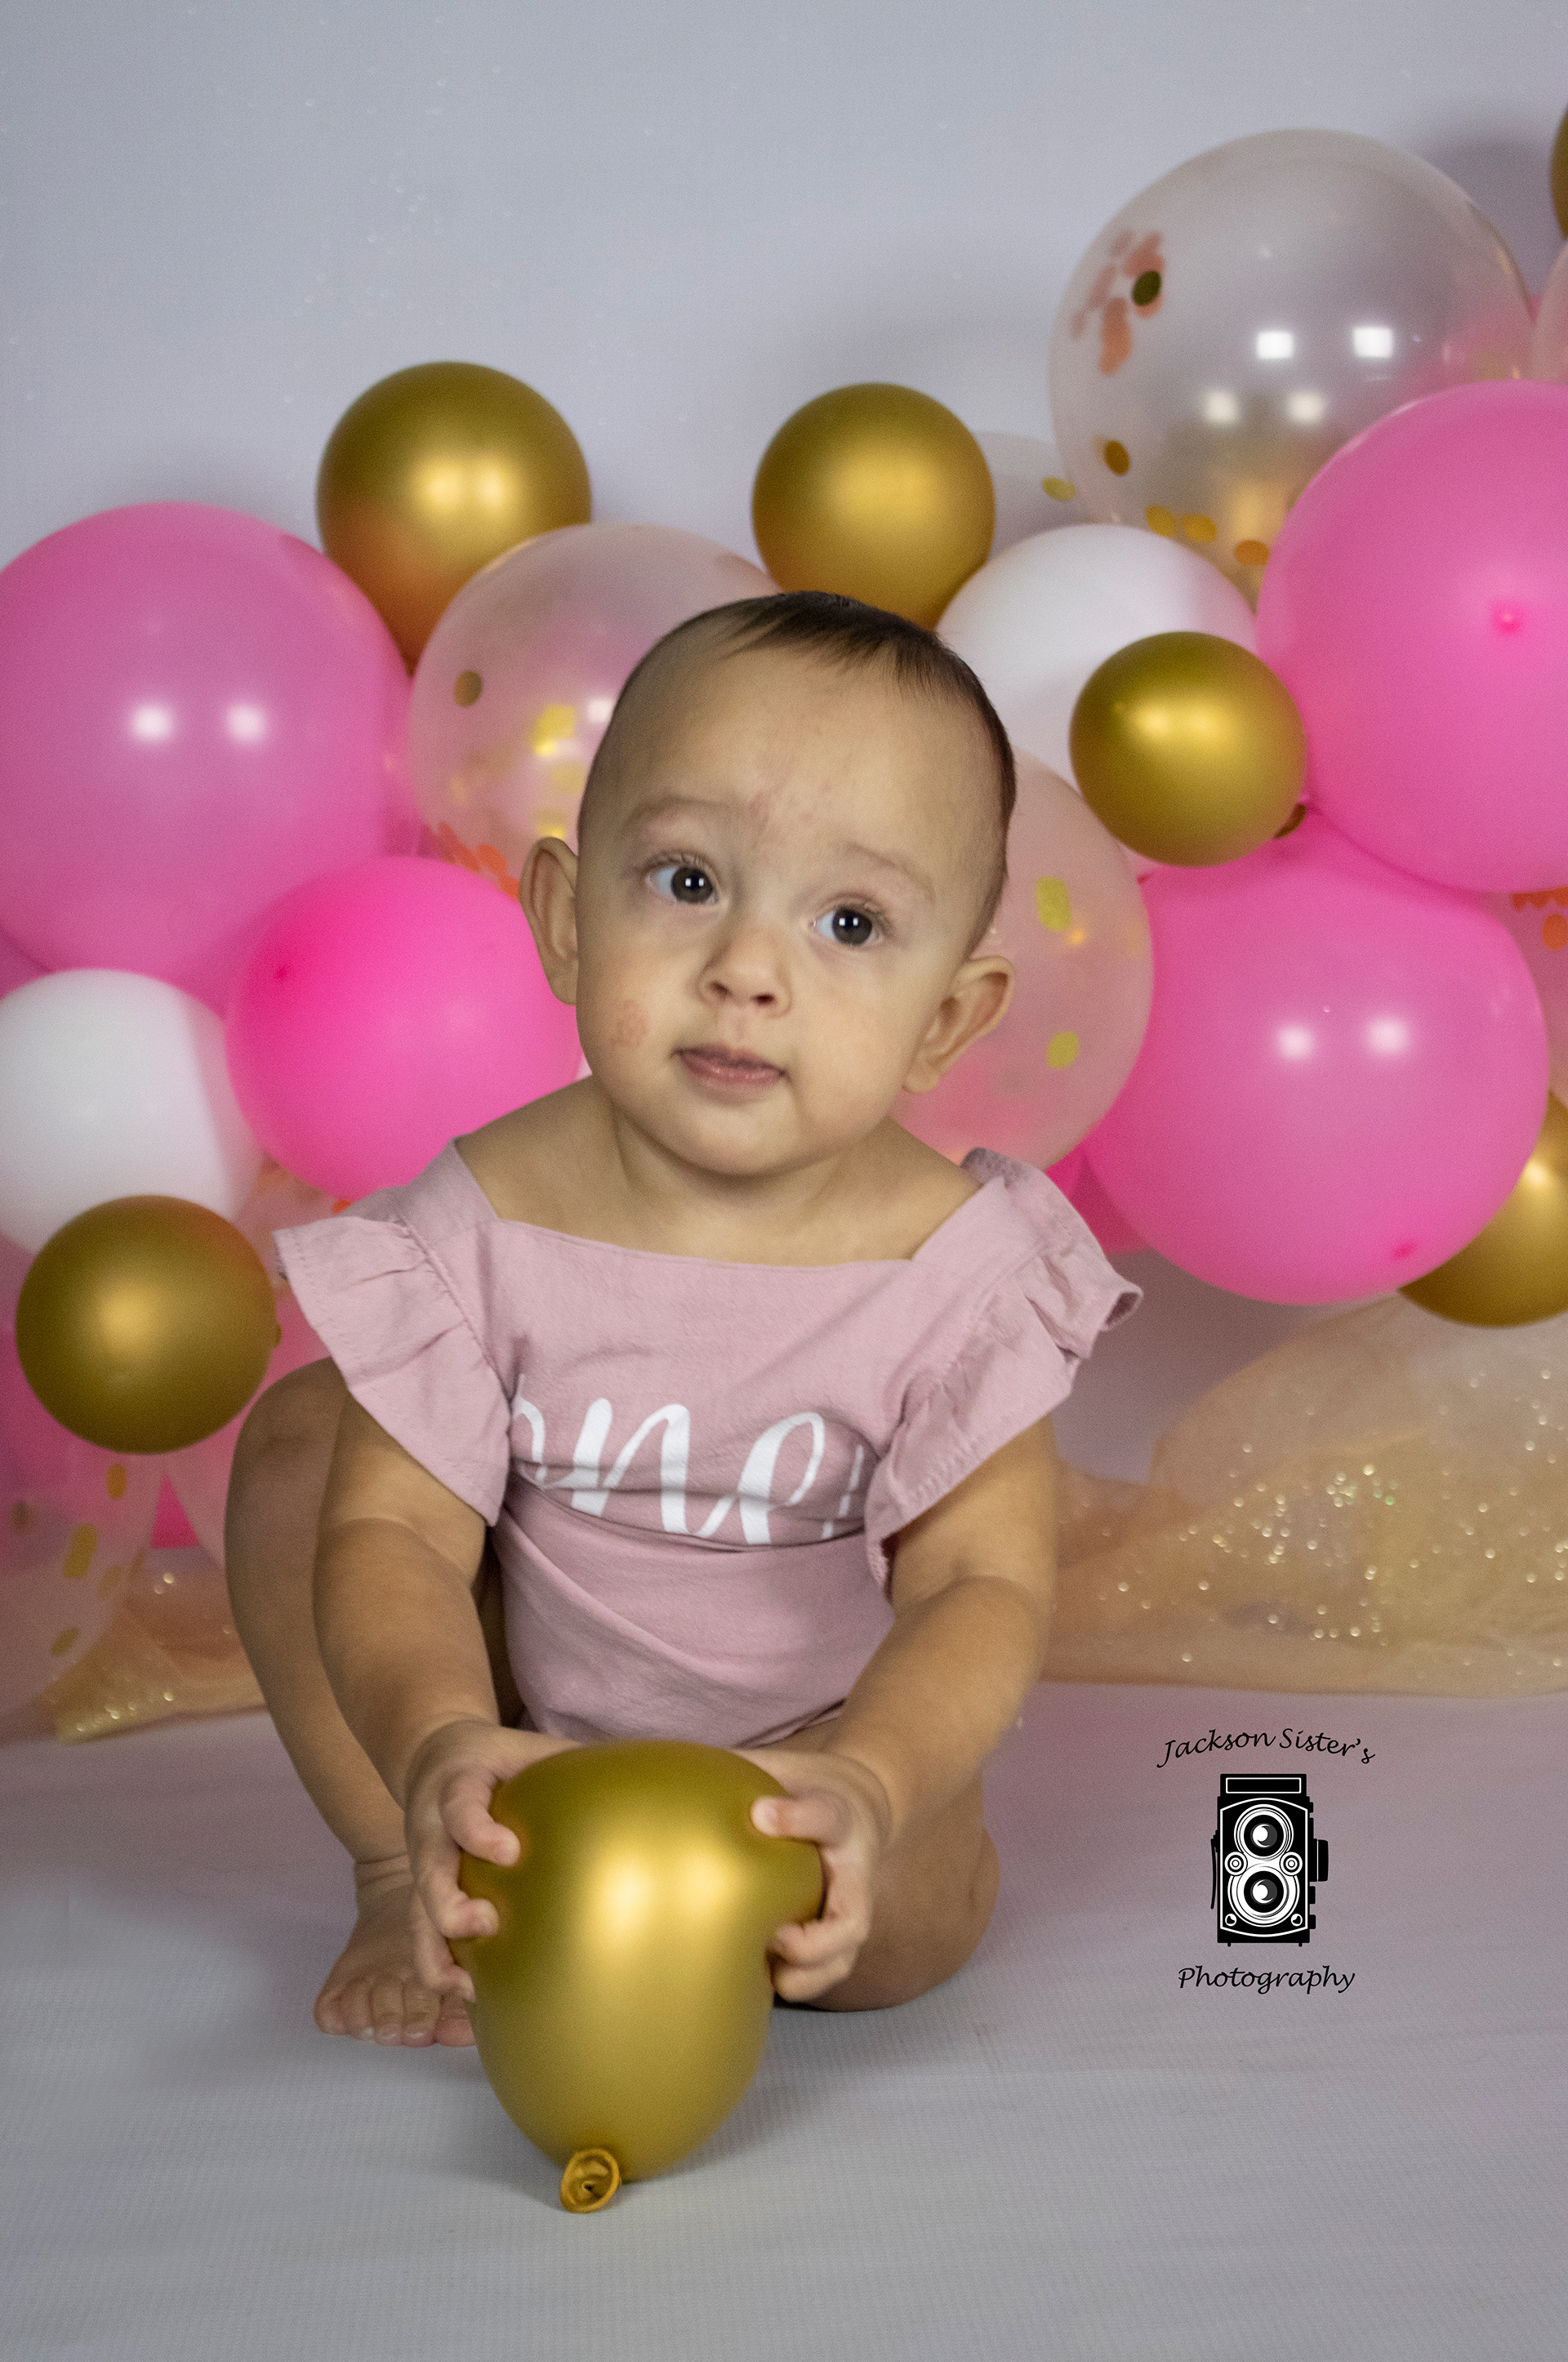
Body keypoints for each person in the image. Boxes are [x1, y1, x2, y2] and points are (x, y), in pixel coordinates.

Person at [224, 588, 1138, 2052]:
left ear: (946, 1022)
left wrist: (876, 1781)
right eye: (689, 881)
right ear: (565, 921)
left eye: (850, 923)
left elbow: (981, 1587)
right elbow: (397, 1539)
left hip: (813, 1762)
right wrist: (441, 1737)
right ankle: (408, 1866)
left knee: (893, 1925)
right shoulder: (486, 1218)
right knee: (303, 1455)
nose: (748, 972)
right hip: (529, 1748)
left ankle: (794, 1885)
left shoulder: (956, 1270)